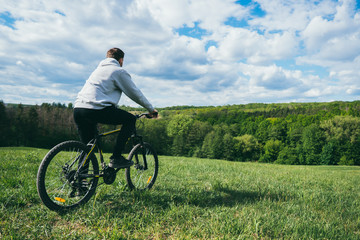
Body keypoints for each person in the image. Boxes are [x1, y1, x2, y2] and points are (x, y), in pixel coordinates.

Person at [74, 47, 157, 168]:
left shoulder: (97, 71)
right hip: (97, 109)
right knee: (130, 120)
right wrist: (151, 109)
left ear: (107, 57)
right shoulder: (118, 71)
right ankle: (116, 158)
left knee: (88, 147)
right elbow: (135, 93)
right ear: (121, 60)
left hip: (78, 109)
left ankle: (80, 179)